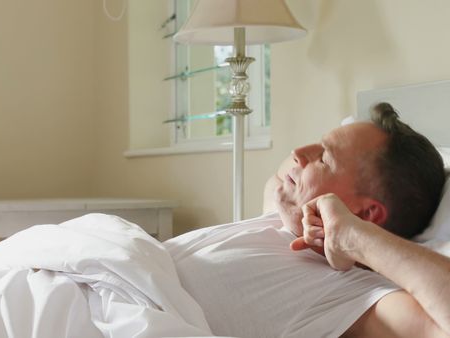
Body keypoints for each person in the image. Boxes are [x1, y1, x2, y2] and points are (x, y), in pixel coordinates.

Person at [164, 103, 450, 337]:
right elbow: (278, 181)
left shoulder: (346, 295)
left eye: (324, 157)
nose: (297, 154)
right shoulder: (279, 216)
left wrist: (355, 236)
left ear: (366, 214)